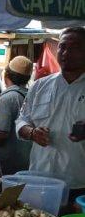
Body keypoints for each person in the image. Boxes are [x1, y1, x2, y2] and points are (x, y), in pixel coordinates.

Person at [16, 27, 85, 199]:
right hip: (39, 179)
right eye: (62, 46)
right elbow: (22, 121)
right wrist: (32, 133)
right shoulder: (40, 86)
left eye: (75, 47)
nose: (66, 52)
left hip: (78, 184)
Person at [0, 56, 34, 175]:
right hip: (26, 160)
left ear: (6, 75)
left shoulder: (7, 99)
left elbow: (1, 134)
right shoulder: (31, 95)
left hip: (8, 163)